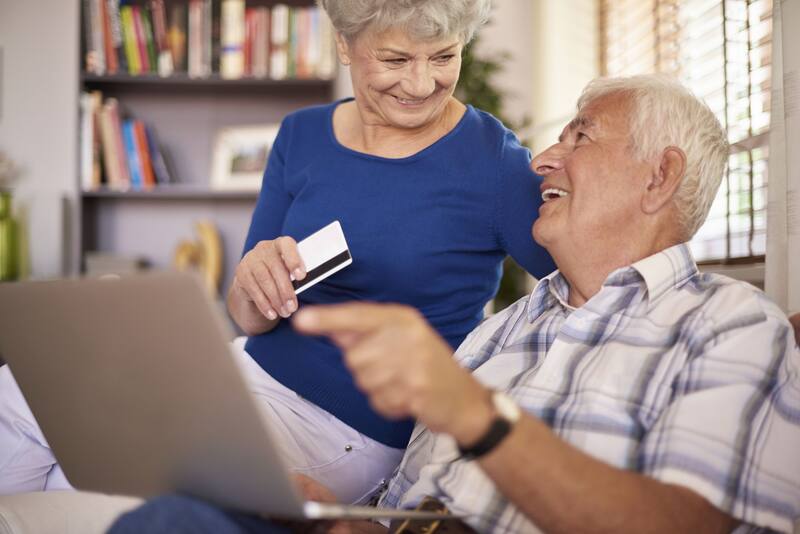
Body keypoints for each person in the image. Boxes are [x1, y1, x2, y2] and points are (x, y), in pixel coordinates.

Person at [111, 75, 800, 534]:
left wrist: (478, 416)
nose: (541, 160)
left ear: (661, 176)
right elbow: (403, 508)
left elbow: (680, 525)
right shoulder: (499, 334)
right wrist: (336, 514)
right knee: (173, 517)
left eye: (580, 136)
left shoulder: (729, 325)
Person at [0, 0, 555, 503]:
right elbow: (249, 316)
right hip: (242, 369)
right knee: (18, 392)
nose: (421, 82)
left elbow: (592, 284)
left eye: (444, 56)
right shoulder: (302, 134)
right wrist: (252, 279)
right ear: (344, 44)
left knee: (80, 481)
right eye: (394, 59)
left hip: (347, 430)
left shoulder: (493, 162)